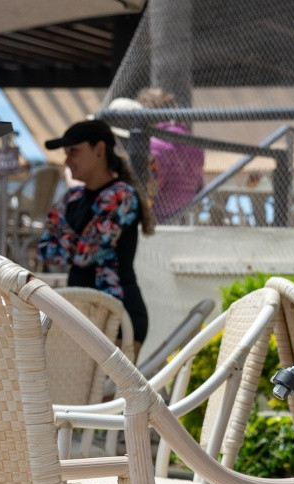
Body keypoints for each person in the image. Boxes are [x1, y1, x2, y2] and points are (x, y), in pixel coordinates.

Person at [37, 119, 154, 349]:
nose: (67, 160)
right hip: (80, 315)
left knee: (109, 387)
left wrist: (63, 234)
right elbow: (44, 249)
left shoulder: (121, 195)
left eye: (74, 151)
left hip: (119, 316)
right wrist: (79, 242)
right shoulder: (73, 197)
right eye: (66, 153)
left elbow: (84, 255)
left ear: (99, 149)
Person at [136, 87, 205, 223]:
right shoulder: (194, 143)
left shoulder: (156, 146)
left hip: (157, 219)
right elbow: (199, 185)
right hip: (182, 216)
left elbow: (149, 189)